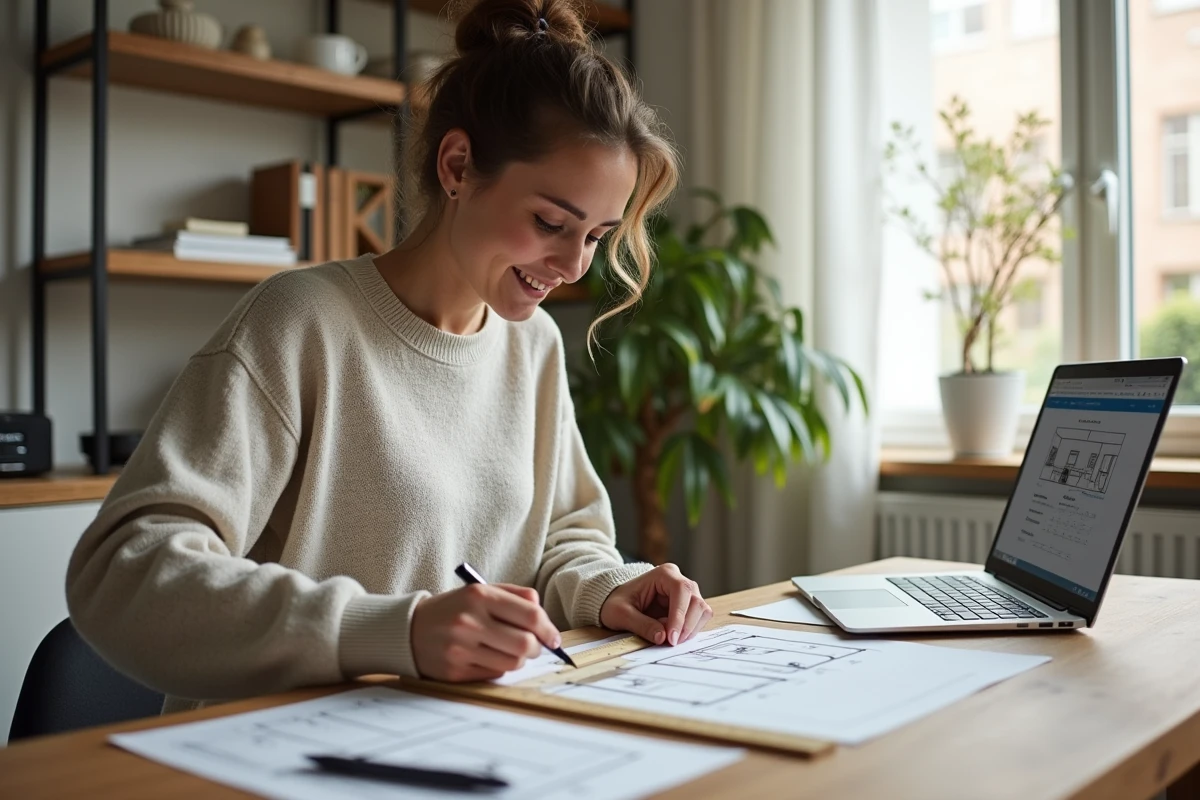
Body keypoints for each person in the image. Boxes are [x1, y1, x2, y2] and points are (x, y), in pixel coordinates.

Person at [65, 0, 711, 712]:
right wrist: (391, 630)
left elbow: (564, 535)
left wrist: (607, 587)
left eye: (596, 235)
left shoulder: (532, 345)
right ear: (458, 165)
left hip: (464, 740)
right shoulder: (301, 322)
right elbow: (125, 573)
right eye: (550, 222)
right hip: (276, 755)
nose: (572, 265)